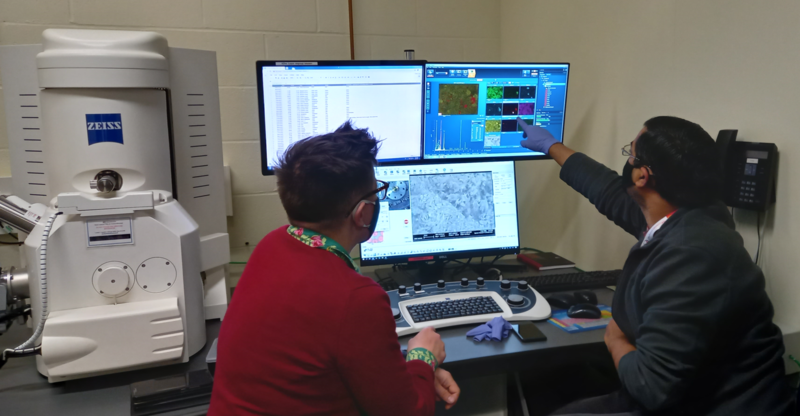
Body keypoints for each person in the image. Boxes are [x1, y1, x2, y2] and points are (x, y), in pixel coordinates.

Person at [516, 116, 795, 416]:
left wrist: (615, 337)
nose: (627, 162)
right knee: (547, 382)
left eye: (630, 154)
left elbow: (652, 388)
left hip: (717, 407)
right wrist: (551, 146)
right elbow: (605, 188)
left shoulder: (692, 254)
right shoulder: (689, 214)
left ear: (642, 177)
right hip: (692, 392)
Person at [209, 121, 460, 416]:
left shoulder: (270, 246)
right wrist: (423, 357)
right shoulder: (357, 298)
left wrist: (409, 376)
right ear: (363, 212)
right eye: (377, 190)